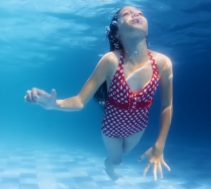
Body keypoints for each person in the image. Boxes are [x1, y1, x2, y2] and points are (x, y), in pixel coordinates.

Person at [24, 5, 173, 181]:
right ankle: (109, 166)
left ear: (147, 31)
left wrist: (159, 145)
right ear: (117, 33)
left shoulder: (163, 63)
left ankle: (114, 157)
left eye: (140, 13)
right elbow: (79, 101)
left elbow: (167, 105)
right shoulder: (111, 61)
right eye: (126, 14)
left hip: (138, 127)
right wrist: (54, 104)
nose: (135, 14)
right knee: (116, 160)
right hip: (111, 127)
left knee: (125, 152)